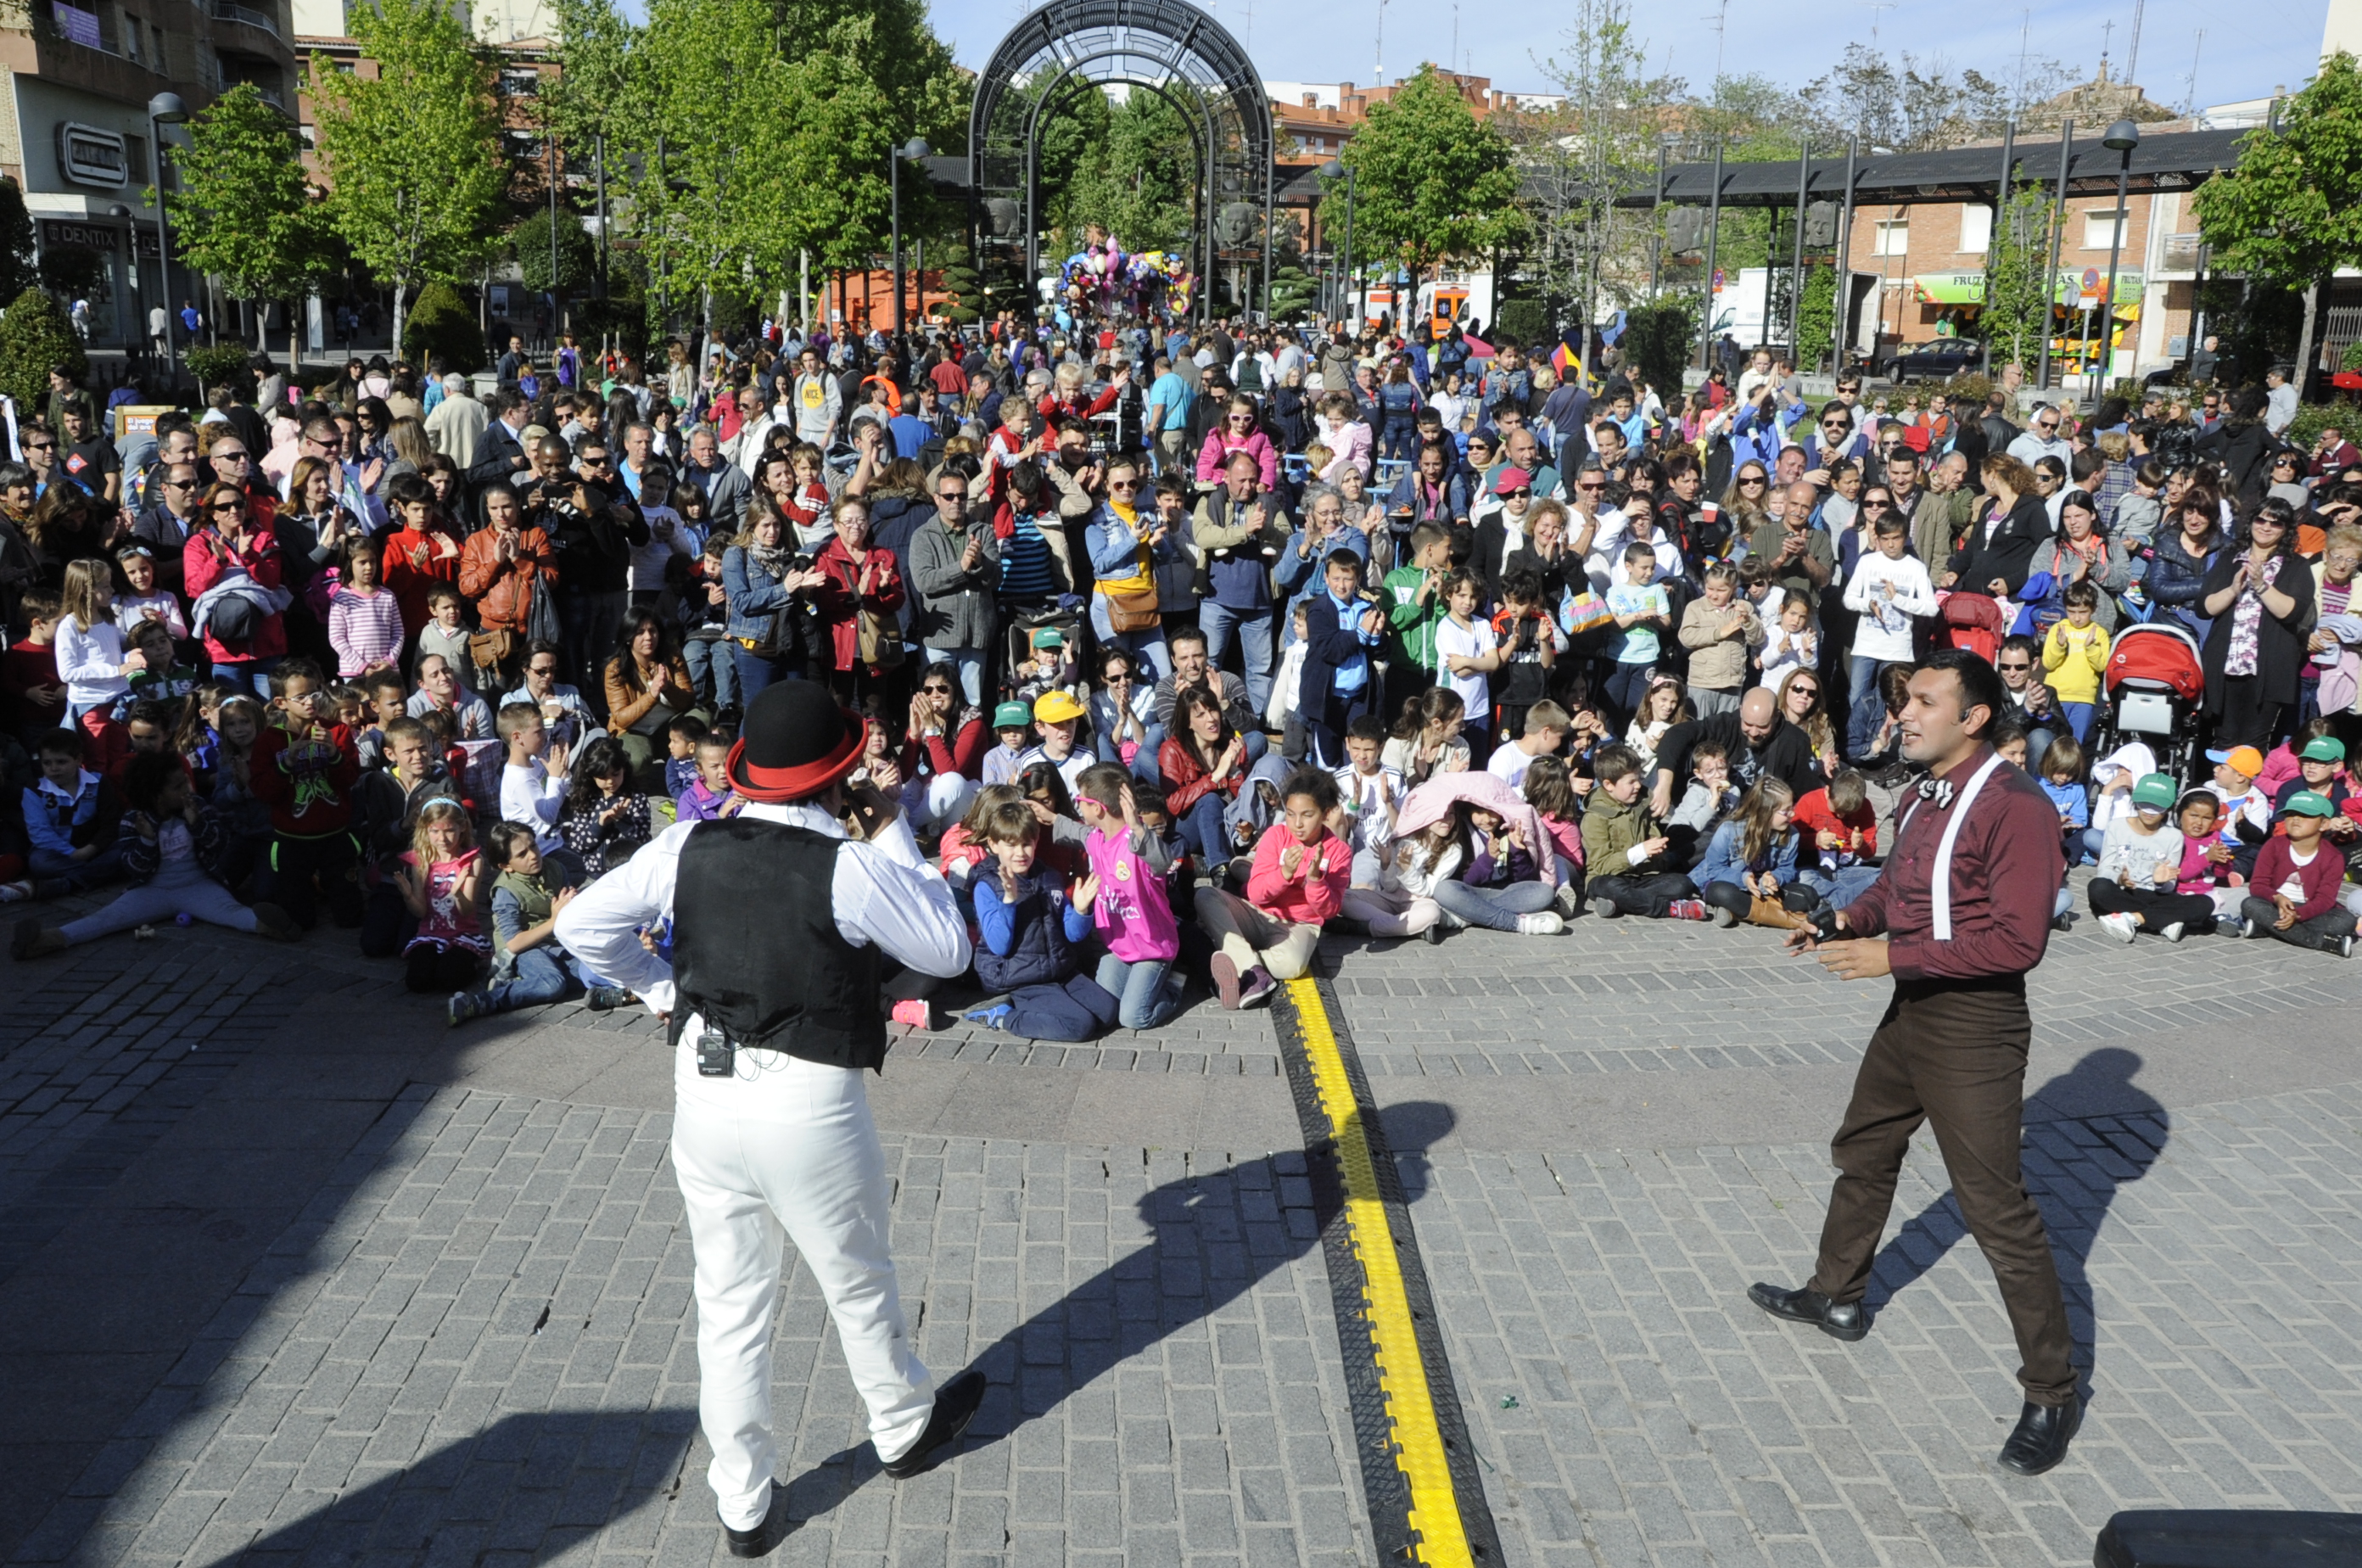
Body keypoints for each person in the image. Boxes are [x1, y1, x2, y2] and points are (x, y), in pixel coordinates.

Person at [551, 680, 985, 1554]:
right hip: (809, 1100)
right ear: (840, 776)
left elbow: (585, 928)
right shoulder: (851, 862)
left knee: (730, 1302)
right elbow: (946, 948)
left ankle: (743, 1500)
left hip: (704, 1088)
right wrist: (892, 822)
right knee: (856, 1275)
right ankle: (900, 1424)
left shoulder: (689, 842)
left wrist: (657, 989)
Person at [1751, 650, 2082, 1478]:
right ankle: (1837, 1294)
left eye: (1925, 702)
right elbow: (1900, 889)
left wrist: (1892, 957)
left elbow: (2017, 941)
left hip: (1974, 1026)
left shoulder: (2019, 807)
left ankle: (2051, 1389)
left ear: (1974, 718)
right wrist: (1838, 922)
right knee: (1864, 1146)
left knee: (1997, 1211)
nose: (1904, 714)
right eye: (1905, 701)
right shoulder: (1930, 792)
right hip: (1913, 1012)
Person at [1194, 765, 1348, 1007]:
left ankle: (1241, 963)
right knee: (1205, 895)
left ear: (1326, 813)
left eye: (1307, 815)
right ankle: (1252, 970)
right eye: (1290, 814)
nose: (1297, 824)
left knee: (1292, 965)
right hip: (1259, 914)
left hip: (1300, 926)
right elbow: (1256, 894)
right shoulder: (1276, 836)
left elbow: (1329, 911)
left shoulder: (1339, 851)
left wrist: (1316, 879)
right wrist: (1285, 872)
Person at [2239, 790, 2358, 955]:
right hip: (2275, 905)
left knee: (2346, 921)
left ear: (2324, 825)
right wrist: (2277, 898)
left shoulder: (2333, 857)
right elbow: (2258, 885)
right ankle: (2323, 943)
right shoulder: (2273, 845)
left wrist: (2298, 915)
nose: (2296, 819)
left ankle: (2265, 928)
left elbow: (2325, 899)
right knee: (2250, 904)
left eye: (2305, 815)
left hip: (2310, 910)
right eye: (2291, 814)